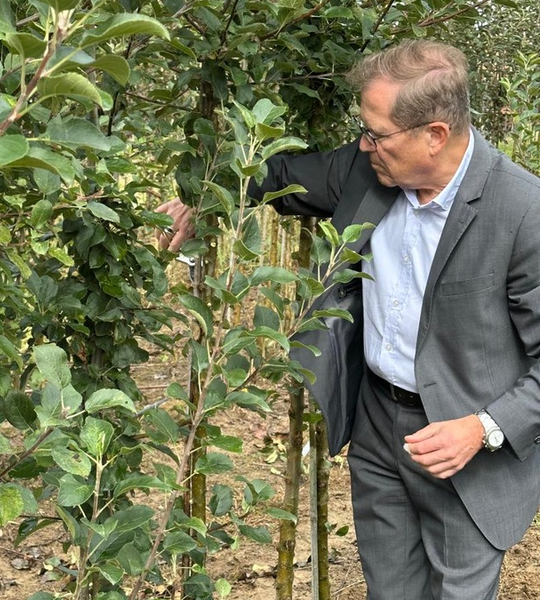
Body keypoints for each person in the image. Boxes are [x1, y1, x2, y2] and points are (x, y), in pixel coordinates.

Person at [158, 39, 540, 600]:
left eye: (376, 134)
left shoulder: (523, 211)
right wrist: (200, 200)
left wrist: (482, 428)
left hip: (467, 454)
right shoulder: (367, 171)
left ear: (435, 134)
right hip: (377, 428)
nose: (364, 145)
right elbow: (274, 175)